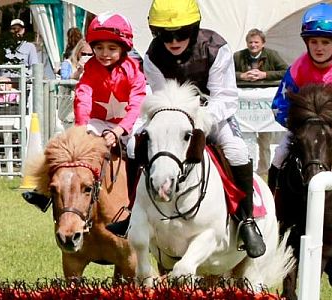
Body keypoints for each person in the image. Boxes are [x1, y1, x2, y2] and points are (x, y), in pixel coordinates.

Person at [108, 0, 266, 259]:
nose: (173, 41)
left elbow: (225, 97)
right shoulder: (152, 56)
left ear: (193, 29)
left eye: (181, 33)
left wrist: (199, 120)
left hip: (211, 114)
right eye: (165, 34)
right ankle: (132, 211)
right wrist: (175, 119)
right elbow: (160, 97)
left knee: (237, 150)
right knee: (134, 145)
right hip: (170, 115)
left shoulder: (217, 49)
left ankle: (246, 220)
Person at [24, 13, 145, 212]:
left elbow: (136, 107)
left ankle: (134, 201)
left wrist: (118, 131)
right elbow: (83, 98)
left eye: (112, 48)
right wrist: (80, 131)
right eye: (99, 48)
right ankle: (44, 192)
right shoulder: (90, 69)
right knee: (62, 143)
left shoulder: (134, 71)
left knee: (134, 148)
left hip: (129, 123)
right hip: (99, 121)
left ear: (124, 48)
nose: (104, 53)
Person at [269, 4, 332, 188]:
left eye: (326, 42)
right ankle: (273, 202)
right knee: (279, 157)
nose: (319, 48)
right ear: (306, 43)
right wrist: (299, 125)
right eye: (314, 42)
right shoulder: (297, 70)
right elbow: (278, 106)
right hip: (302, 130)